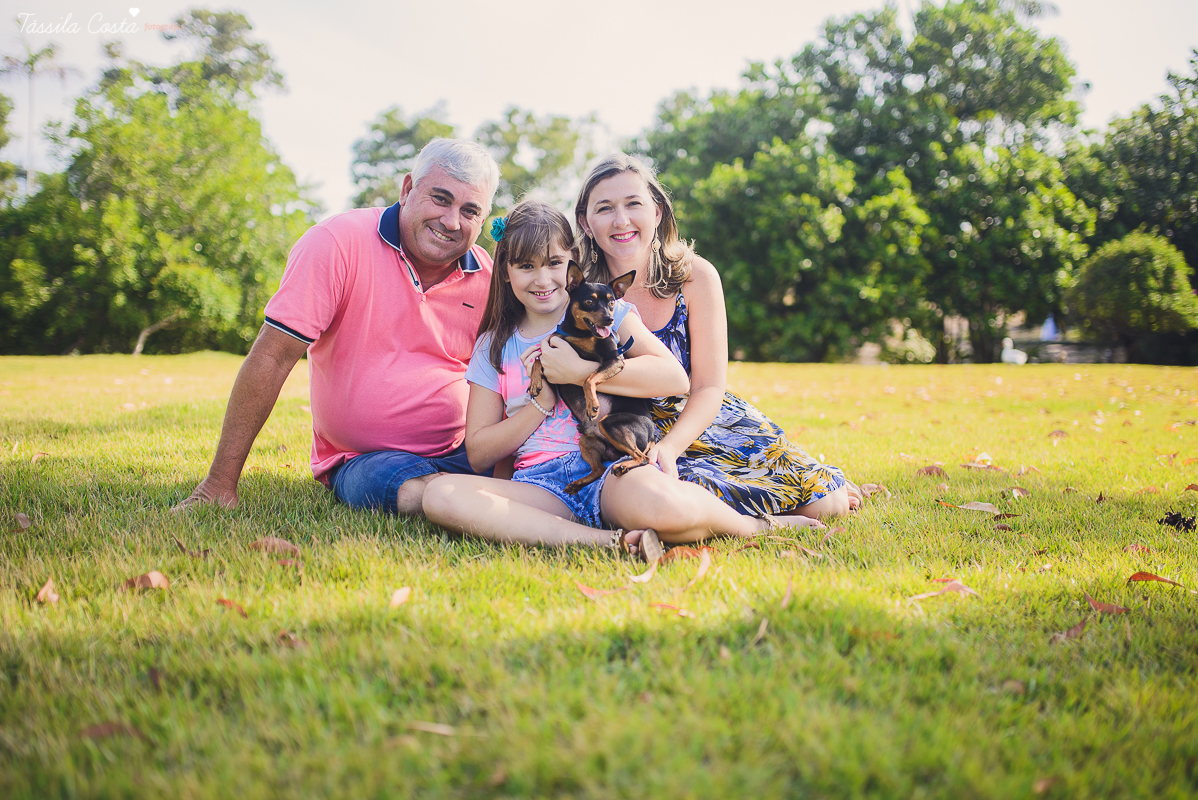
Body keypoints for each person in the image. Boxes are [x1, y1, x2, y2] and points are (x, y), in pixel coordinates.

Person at [421, 201, 801, 555]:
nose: (543, 278)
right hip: (538, 483)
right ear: (505, 271)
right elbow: (479, 452)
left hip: (611, 469)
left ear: (572, 266)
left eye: (554, 263)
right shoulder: (494, 345)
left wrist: (580, 373)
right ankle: (608, 541)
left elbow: (673, 376)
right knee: (441, 495)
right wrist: (541, 405)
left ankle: (753, 526)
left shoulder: (610, 315)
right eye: (525, 266)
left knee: (665, 505)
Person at [175, 139, 501, 515]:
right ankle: (487, 499)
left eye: (470, 211)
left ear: (483, 220)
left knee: (533, 465)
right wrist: (219, 482)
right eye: (441, 199)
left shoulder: (491, 279)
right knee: (382, 486)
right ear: (408, 189)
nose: (451, 221)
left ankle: (472, 495)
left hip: (465, 450)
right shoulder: (337, 243)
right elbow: (273, 357)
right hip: (367, 461)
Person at [544, 153, 863, 518]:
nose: (621, 220)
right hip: (629, 428)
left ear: (657, 212)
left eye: (634, 204)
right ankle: (749, 518)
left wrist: (671, 448)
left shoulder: (696, 277)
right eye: (605, 208)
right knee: (676, 505)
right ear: (585, 223)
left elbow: (710, 387)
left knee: (828, 505)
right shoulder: (577, 290)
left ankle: (813, 484)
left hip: (700, 419)